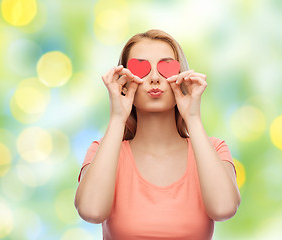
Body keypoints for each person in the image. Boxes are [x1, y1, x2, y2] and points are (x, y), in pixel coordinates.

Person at [74, 29, 241, 240]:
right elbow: (91, 211)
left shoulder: (214, 149)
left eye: (166, 68)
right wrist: (117, 116)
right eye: (141, 69)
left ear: (181, 77)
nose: (154, 78)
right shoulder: (103, 151)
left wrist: (193, 118)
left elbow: (224, 208)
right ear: (124, 81)